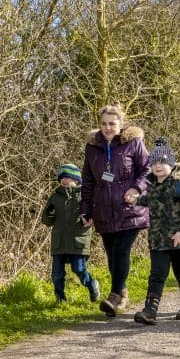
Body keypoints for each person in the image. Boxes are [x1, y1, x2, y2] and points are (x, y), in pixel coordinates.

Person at [80, 104, 149, 318]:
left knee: (121, 250)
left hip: (130, 208)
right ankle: (123, 292)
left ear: (121, 124)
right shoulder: (92, 148)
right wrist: (85, 210)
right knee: (112, 255)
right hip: (103, 209)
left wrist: (136, 188)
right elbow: (88, 181)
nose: (108, 128)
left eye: (112, 123)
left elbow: (147, 170)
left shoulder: (133, 143)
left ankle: (114, 296)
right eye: (104, 124)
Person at [129, 138, 180, 325]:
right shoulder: (151, 186)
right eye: (154, 163)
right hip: (158, 239)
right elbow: (149, 202)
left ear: (171, 164)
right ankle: (150, 310)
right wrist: (135, 199)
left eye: (163, 162)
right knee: (157, 274)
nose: (158, 166)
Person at [41, 163, 100, 303]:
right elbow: (47, 221)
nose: (64, 181)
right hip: (59, 241)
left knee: (79, 269)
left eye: (68, 177)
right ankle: (60, 298)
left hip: (78, 240)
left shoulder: (85, 196)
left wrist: (92, 218)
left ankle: (92, 285)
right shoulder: (55, 196)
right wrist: (49, 213)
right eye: (62, 178)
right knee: (56, 274)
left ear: (76, 180)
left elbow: (95, 214)